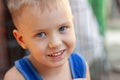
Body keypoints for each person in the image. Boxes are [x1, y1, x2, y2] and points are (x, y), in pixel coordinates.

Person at [4, 0, 90, 80]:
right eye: (41, 34)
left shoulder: (81, 66)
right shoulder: (16, 77)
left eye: (62, 28)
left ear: (73, 24)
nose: (56, 43)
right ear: (21, 39)